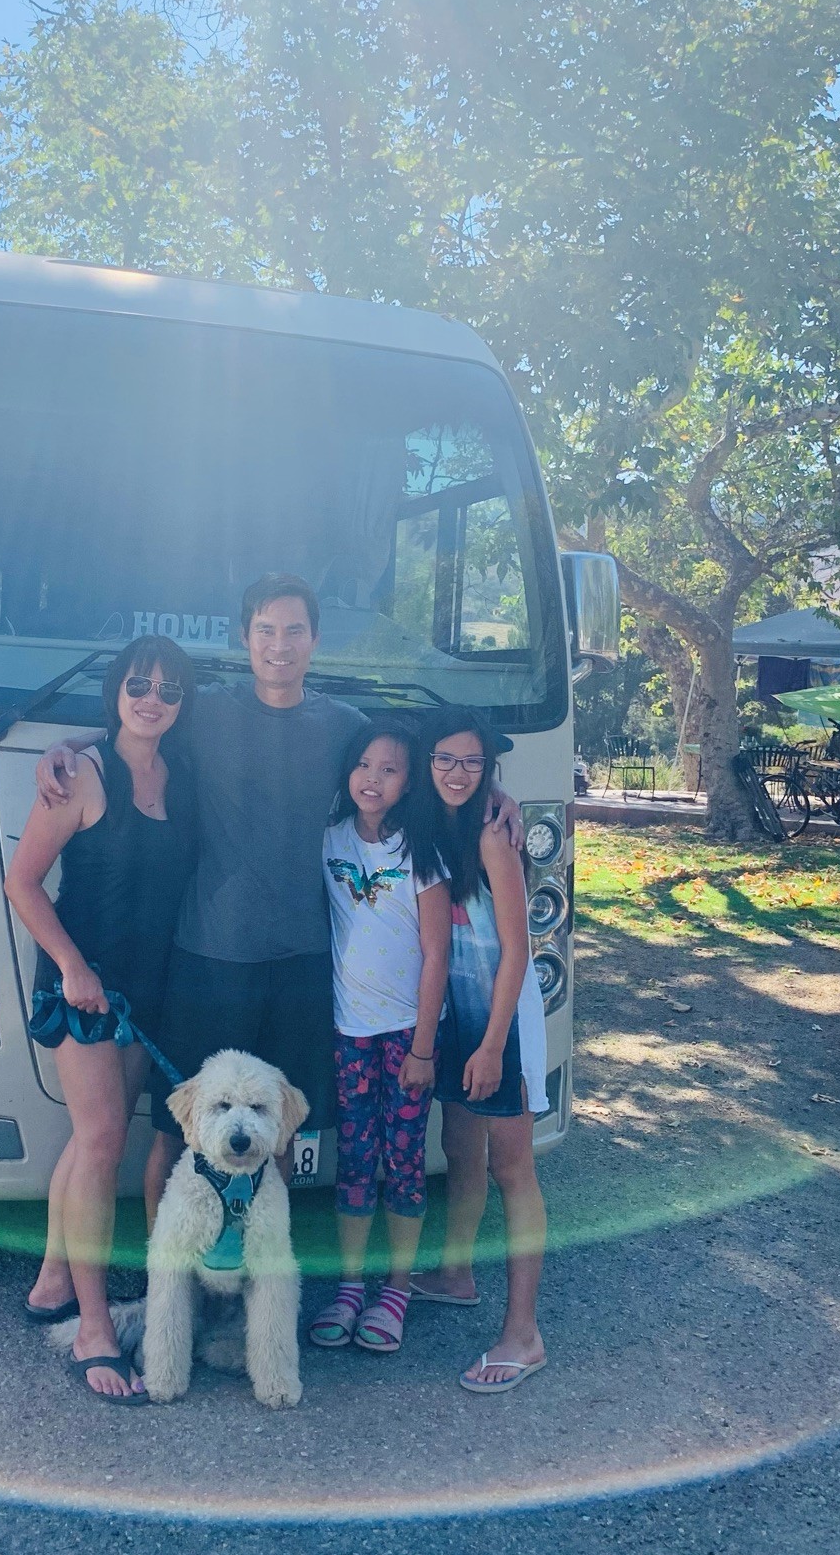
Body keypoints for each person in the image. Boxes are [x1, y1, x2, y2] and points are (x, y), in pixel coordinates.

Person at [35, 573, 523, 1217]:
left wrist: (492, 788)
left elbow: (413, 766)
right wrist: (65, 746)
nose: (280, 644)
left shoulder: (344, 725)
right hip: (206, 960)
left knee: (277, 1134)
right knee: (179, 1137)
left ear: (316, 640)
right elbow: (137, 730)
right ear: (245, 638)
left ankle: (255, 1277)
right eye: (266, 630)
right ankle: (170, 1288)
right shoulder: (205, 710)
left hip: (302, 964)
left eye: (295, 630)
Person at [3, 636, 196, 1403]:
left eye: (168, 689)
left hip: (147, 989)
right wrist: (74, 967)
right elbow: (22, 884)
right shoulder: (80, 777)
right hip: (81, 988)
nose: (152, 698)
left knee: (93, 1140)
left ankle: (53, 1280)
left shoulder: (181, 775)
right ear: (117, 688)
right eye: (138, 684)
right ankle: (91, 1327)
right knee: (105, 1141)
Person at [409, 707, 551, 1394]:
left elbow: (518, 951)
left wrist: (495, 1045)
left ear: (487, 769)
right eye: (445, 759)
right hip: (460, 1013)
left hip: (502, 1018)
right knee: (461, 1149)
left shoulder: (494, 838)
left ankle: (523, 1334)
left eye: (472, 762)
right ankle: (455, 1272)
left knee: (511, 1169)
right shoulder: (435, 825)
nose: (457, 773)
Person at [308, 722, 451, 1355]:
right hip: (350, 1032)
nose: (372, 777)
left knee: (405, 1161)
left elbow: (436, 952)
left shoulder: (421, 849)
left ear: (408, 780)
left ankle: (395, 1289)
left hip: (407, 1037)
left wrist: (423, 1047)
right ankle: (349, 1286)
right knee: (356, 1160)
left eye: (388, 769)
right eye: (363, 764)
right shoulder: (329, 840)